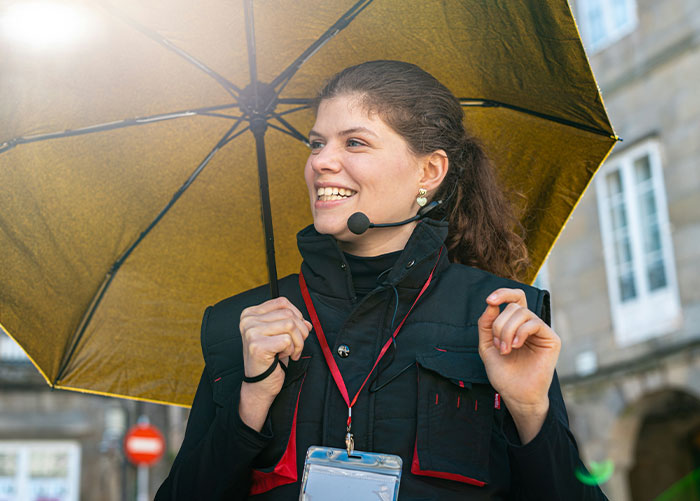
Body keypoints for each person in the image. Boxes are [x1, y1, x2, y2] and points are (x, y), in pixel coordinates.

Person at [155, 60, 607, 500]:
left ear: (429, 171)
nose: (321, 162)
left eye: (354, 143)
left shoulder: (499, 317)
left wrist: (530, 412)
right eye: (316, 143)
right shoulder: (243, 325)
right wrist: (250, 403)